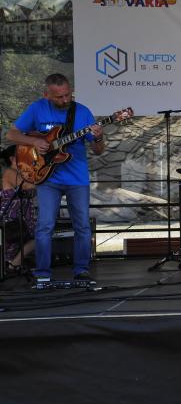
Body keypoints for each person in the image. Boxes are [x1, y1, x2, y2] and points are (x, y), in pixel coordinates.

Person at [6, 73, 105, 283]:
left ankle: (81, 270)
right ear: (47, 95)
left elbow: (98, 150)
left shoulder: (82, 112)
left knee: (82, 226)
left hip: (77, 178)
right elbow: (11, 134)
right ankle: (43, 273)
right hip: (47, 178)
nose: (65, 99)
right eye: (59, 97)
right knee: (45, 226)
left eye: (68, 94)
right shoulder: (37, 108)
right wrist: (34, 142)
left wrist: (98, 137)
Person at [0, 145, 36, 272]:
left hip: (22, 216)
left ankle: (14, 263)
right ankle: (14, 264)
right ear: (12, 159)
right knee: (36, 239)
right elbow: (27, 186)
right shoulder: (10, 172)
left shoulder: (21, 173)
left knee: (33, 239)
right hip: (13, 217)